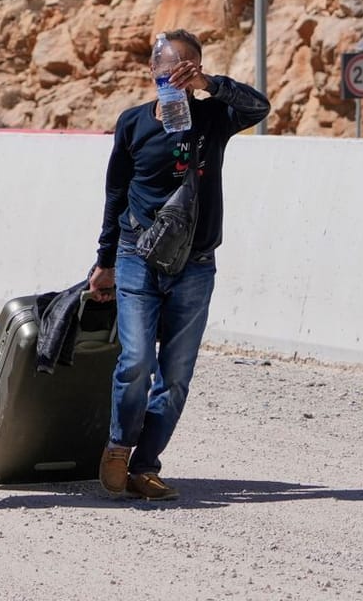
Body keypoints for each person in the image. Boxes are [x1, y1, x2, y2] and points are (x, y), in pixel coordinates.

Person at [88, 29, 268, 501]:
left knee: (176, 374)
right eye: (171, 69)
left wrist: (211, 83)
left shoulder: (213, 117)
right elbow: (114, 195)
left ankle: (145, 465)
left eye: (188, 69)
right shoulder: (132, 123)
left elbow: (259, 107)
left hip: (196, 263)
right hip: (137, 259)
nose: (179, 78)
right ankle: (118, 446)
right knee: (136, 360)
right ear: (153, 71)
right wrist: (104, 261)